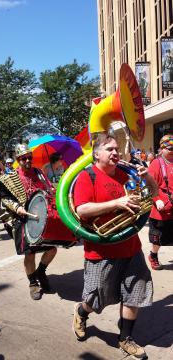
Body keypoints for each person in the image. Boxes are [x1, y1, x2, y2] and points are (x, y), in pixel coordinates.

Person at [72, 132, 158, 359]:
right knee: (96, 298)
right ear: (96, 153)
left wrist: (148, 178)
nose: (115, 152)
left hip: (130, 246)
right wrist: (117, 202)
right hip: (101, 250)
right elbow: (81, 210)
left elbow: (153, 194)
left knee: (135, 293)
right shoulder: (86, 177)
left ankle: (125, 338)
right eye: (109, 149)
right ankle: (81, 312)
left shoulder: (125, 174)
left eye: (116, 149)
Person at [0, 143, 57, 300]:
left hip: (40, 217)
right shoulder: (11, 178)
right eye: (24, 158)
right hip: (22, 219)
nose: (28, 161)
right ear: (18, 159)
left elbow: (48, 187)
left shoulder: (38, 172)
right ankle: (33, 283)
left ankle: (41, 272)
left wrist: (52, 191)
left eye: (29, 157)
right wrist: (17, 207)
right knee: (29, 254)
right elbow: (4, 197)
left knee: (52, 249)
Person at [148, 134, 173, 270]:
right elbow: (150, 185)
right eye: (169, 148)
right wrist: (157, 200)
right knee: (158, 238)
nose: (172, 150)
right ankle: (153, 255)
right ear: (161, 149)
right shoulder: (156, 163)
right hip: (161, 209)